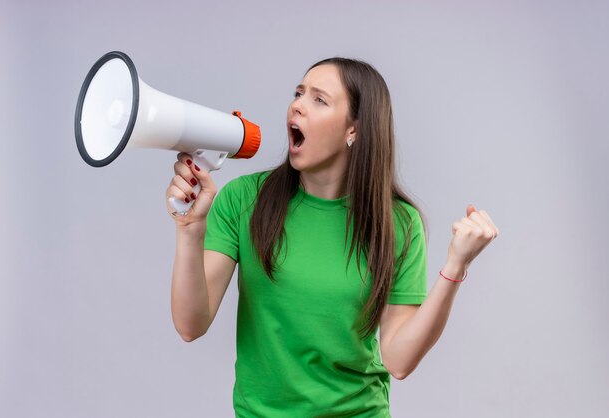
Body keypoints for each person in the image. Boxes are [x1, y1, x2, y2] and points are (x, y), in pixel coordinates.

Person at [165, 57, 499, 417]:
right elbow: (190, 325)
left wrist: (456, 266)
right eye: (299, 93)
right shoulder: (244, 200)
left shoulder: (399, 222)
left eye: (319, 100)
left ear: (353, 130)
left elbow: (399, 360)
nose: (297, 105)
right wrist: (190, 230)